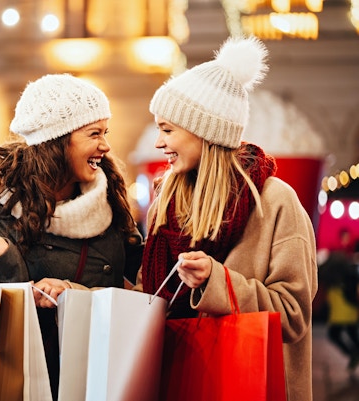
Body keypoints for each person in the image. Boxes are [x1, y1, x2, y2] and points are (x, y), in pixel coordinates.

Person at [134, 36, 318, 401]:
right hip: (178, 382)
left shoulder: (275, 202)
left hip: (249, 385)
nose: (158, 142)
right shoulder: (165, 203)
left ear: (205, 131)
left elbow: (294, 315)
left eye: (167, 129)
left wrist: (214, 281)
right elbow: (149, 295)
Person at [0, 73, 144, 399]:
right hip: (34, 382)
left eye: (105, 132)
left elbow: (139, 282)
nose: (106, 146)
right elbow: (5, 325)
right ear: (57, 142)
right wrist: (5, 255)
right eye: (94, 133)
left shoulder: (110, 200)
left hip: (104, 370)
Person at [318, 229, 359, 373]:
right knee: (350, 332)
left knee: (335, 333)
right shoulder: (344, 260)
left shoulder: (337, 258)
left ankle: (354, 353)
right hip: (349, 306)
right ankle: (354, 353)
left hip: (344, 307)